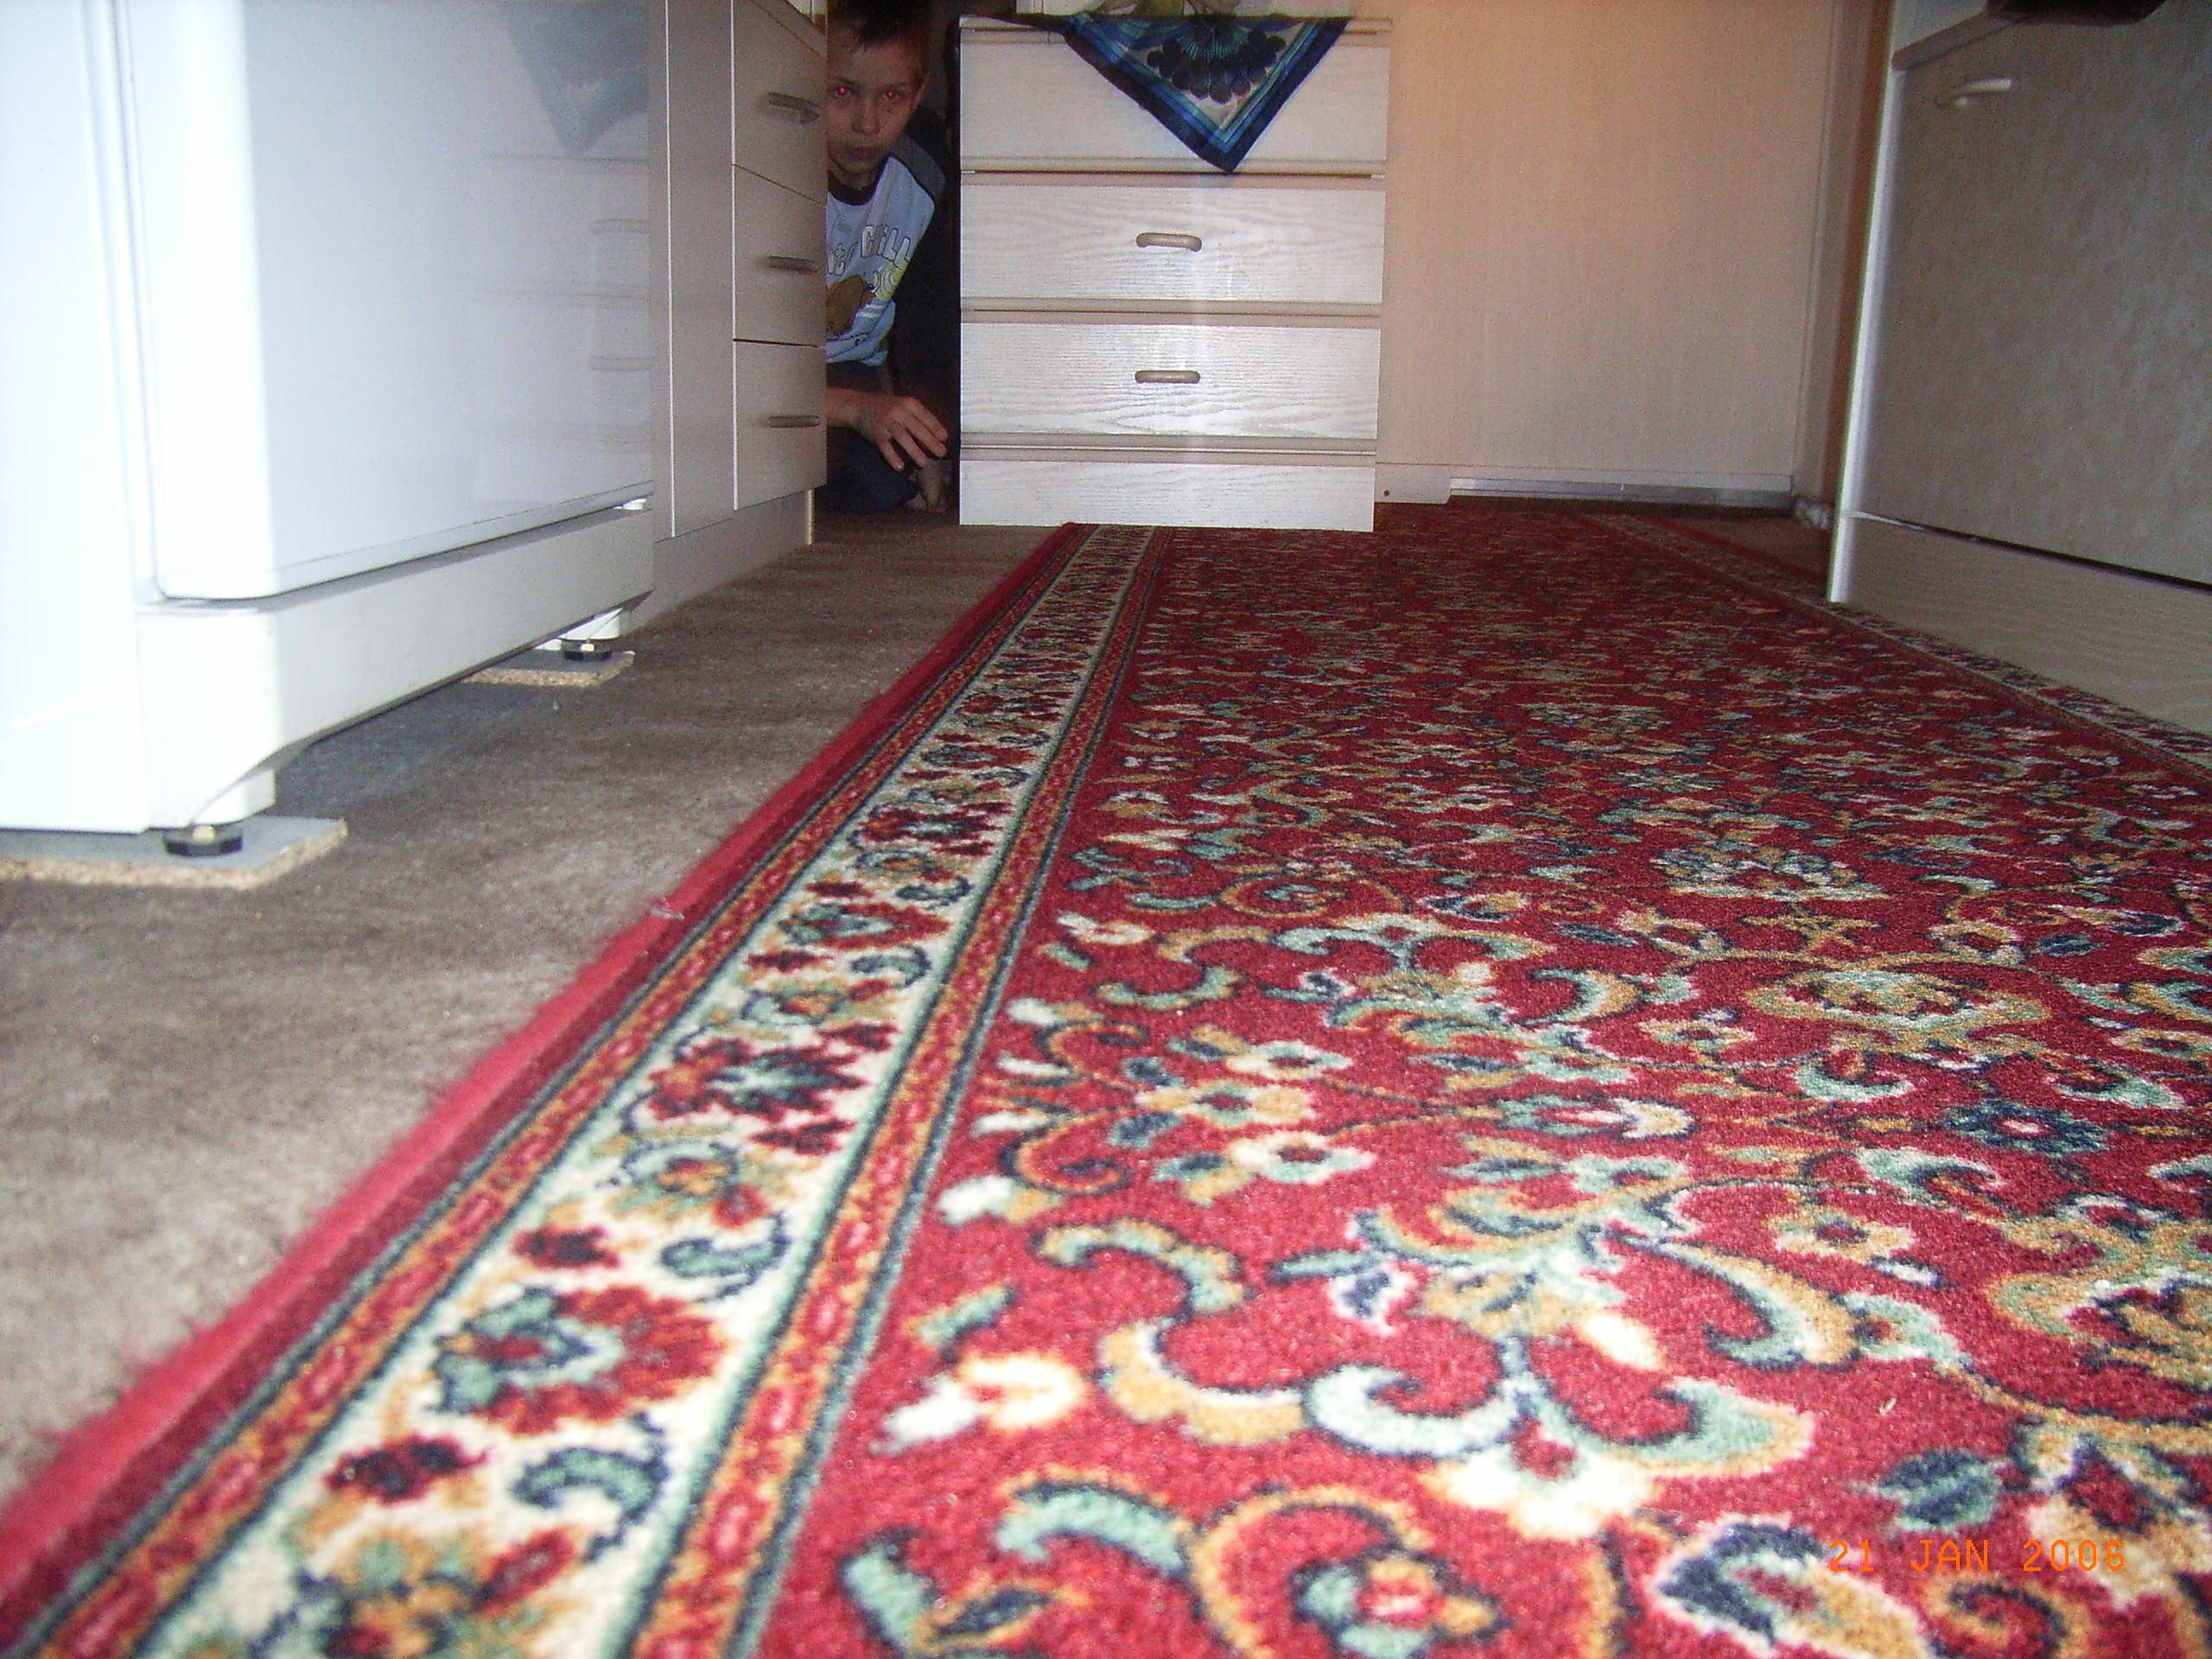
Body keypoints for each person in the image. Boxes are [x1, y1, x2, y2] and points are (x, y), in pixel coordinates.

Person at [822, 0, 950, 512]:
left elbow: (929, 319)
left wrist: (932, 442)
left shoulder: (925, 172)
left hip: (853, 371)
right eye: (842, 93)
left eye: (892, 97)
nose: (867, 123)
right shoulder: (771, 165)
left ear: (918, 94)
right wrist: (855, 411)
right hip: (765, 381)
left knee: (883, 481)